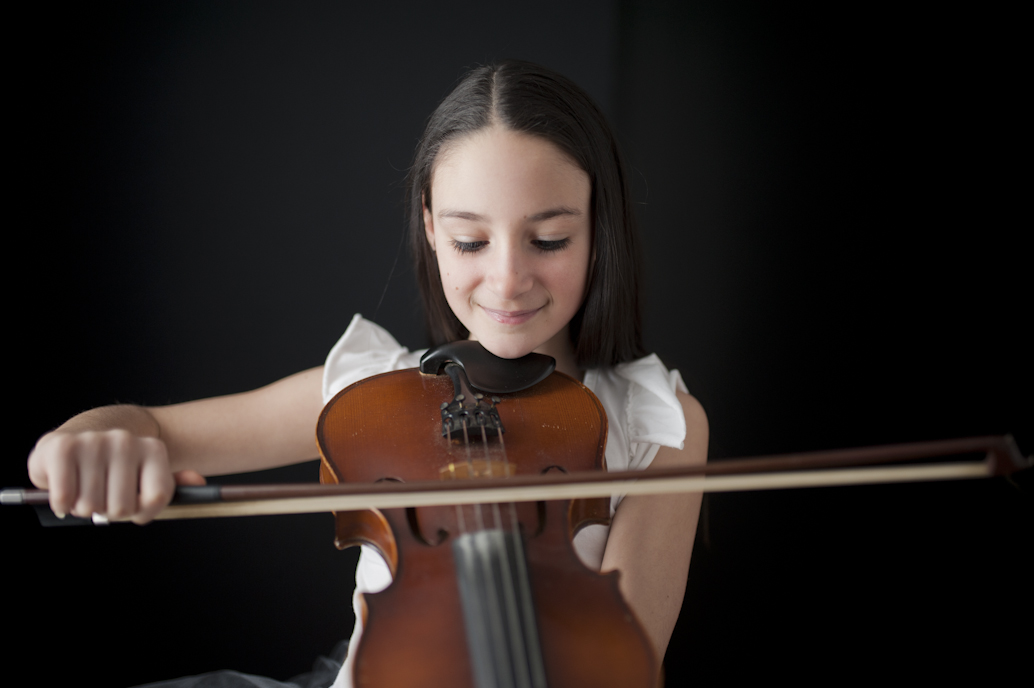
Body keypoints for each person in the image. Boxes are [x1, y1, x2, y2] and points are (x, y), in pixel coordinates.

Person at [27, 60, 708, 687]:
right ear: (431, 227)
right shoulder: (376, 395)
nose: (507, 278)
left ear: (599, 229)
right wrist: (86, 442)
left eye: (550, 239)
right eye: (471, 240)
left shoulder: (653, 421)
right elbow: (144, 428)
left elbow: (624, 670)